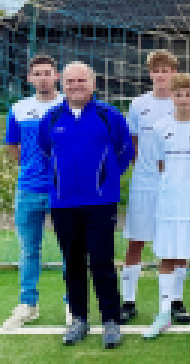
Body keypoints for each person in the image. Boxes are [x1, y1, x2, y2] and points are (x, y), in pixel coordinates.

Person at [38, 62, 135, 348]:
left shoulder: (110, 115)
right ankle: (79, 319)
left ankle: (111, 321)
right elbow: (45, 153)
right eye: (70, 81)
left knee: (103, 262)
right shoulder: (52, 116)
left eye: (81, 80)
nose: (75, 85)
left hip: (100, 203)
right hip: (64, 204)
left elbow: (125, 150)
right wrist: (59, 181)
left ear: (93, 84)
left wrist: (104, 180)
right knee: (73, 263)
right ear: (63, 84)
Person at [143, 73, 190, 340]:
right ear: (172, 96)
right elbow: (160, 164)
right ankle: (163, 313)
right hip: (169, 204)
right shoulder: (160, 127)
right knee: (168, 258)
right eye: (179, 94)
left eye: (188, 94)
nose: (184, 99)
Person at [2, 55, 66, 332]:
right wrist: (31, 169)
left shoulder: (68, 105)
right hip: (28, 189)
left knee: (69, 249)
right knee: (29, 249)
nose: (42, 77)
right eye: (37, 73)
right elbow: (13, 147)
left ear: (57, 76)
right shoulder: (18, 108)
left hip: (63, 190)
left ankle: (71, 303)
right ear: (29, 78)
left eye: (47, 73)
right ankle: (28, 303)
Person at [121, 50, 178, 324]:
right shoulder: (138, 104)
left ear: (174, 73)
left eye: (166, 70)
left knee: (174, 244)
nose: (161, 74)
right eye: (157, 70)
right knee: (136, 241)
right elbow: (133, 142)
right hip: (144, 183)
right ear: (151, 73)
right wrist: (142, 168)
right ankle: (128, 300)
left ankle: (175, 300)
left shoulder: (184, 102)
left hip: (174, 184)